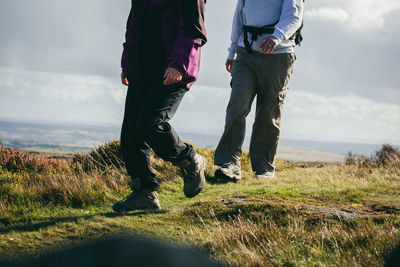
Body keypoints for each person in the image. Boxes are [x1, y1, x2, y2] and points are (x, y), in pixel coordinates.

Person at [113, 0, 207, 212]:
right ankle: (145, 193)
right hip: (141, 68)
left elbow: (194, 29)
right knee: (130, 135)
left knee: (150, 124)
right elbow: (133, 26)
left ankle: (191, 160)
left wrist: (178, 64)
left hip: (174, 69)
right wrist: (127, 63)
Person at [214, 0, 304, 181]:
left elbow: (294, 16)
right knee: (237, 104)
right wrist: (232, 51)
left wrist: (277, 36)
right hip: (245, 52)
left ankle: (264, 168)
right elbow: (239, 17)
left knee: (269, 110)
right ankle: (230, 164)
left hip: (278, 55)